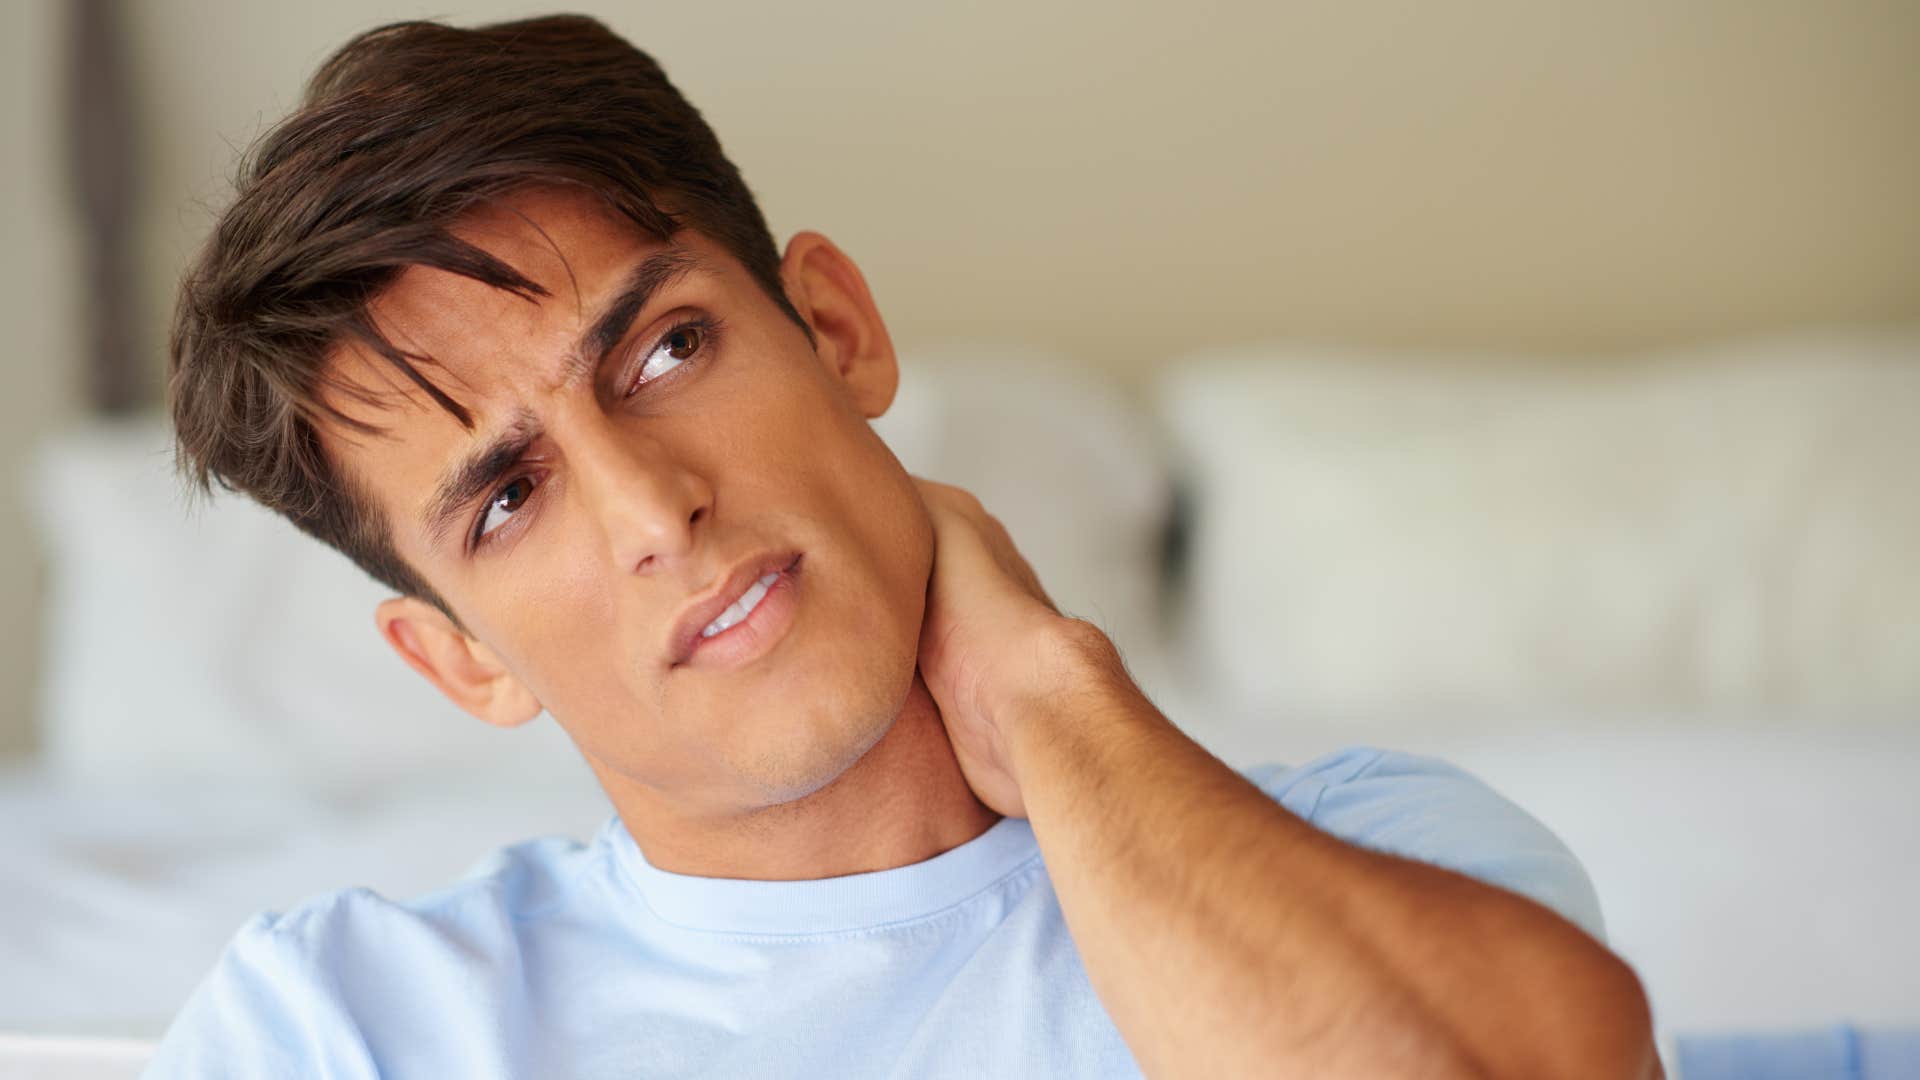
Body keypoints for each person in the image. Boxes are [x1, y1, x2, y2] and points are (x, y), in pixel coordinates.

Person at [147, 14, 1658, 1079]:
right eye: (506, 499)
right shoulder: (339, 1026)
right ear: (459, 660)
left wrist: (1052, 699)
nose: (650, 505)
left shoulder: (1377, 855)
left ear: (839, 328)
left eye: (666, 351)